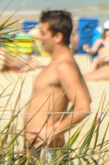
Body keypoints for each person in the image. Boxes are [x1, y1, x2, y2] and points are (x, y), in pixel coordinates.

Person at [22, 10, 92, 151]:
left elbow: (83, 107)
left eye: (43, 33)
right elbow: (87, 98)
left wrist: (52, 132)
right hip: (37, 146)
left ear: (58, 36)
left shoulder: (63, 66)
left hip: (45, 147)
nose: (38, 37)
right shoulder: (59, 64)